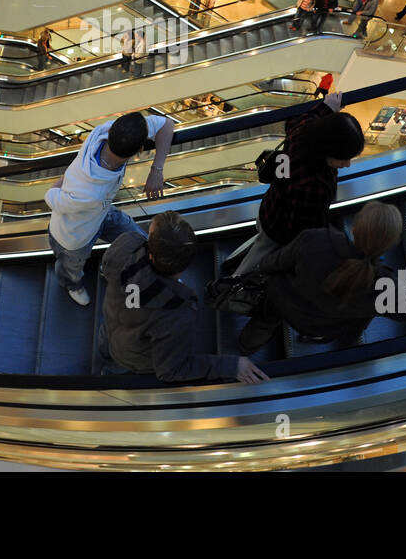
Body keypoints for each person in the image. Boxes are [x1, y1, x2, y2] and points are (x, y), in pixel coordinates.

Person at [237, 202, 406, 353]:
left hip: (281, 301)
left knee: (262, 323)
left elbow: (272, 263)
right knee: (351, 324)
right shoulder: (383, 286)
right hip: (323, 328)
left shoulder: (317, 240)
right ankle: (331, 344)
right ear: (389, 245)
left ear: (355, 227)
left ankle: (245, 347)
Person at [99, 212, 269, 383]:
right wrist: (228, 366)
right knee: (121, 366)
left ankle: (107, 365)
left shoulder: (125, 245)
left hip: (110, 325)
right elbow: (171, 370)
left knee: (109, 352)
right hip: (134, 355)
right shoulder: (174, 313)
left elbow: (108, 269)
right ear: (185, 265)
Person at [45, 110, 174, 305]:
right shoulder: (87, 192)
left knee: (138, 240)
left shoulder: (106, 132)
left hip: (102, 212)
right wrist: (68, 180)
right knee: (71, 267)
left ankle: (113, 267)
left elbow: (167, 125)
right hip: (73, 235)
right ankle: (72, 285)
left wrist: (157, 169)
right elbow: (50, 197)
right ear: (140, 148)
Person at [235, 90, 364, 274]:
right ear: (328, 149)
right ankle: (231, 287)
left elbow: (298, 120)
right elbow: (303, 231)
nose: (347, 164)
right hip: (278, 230)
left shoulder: (304, 134)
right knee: (255, 260)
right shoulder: (313, 185)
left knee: (262, 241)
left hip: (271, 206)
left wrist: (326, 108)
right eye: (342, 158)